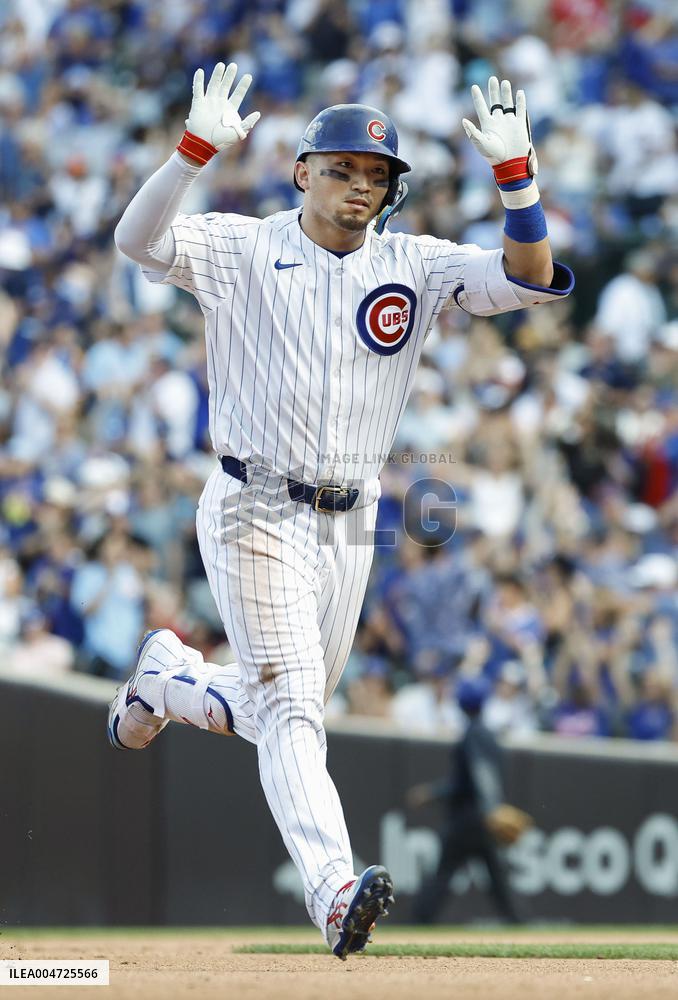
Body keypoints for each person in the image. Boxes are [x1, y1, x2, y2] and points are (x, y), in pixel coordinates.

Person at [108, 62, 573, 958]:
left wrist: (520, 182)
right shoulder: (243, 245)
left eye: (376, 175)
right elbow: (136, 241)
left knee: (280, 705)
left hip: (349, 525)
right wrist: (191, 152)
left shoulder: (416, 264)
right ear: (302, 171)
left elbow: (529, 276)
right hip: (252, 504)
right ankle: (332, 889)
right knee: (292, 714)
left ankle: (165, 680)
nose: (361, 184)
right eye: (342, 167)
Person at [409, 677, 529, 924]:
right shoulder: (488, 734)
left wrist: (433, 793)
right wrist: (492, 808)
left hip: (468, 818)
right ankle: (519, 922)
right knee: (497, 878)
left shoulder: (473, 734)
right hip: (483, 818)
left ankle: (419, 919)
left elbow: (477, 776)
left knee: (444, 874)